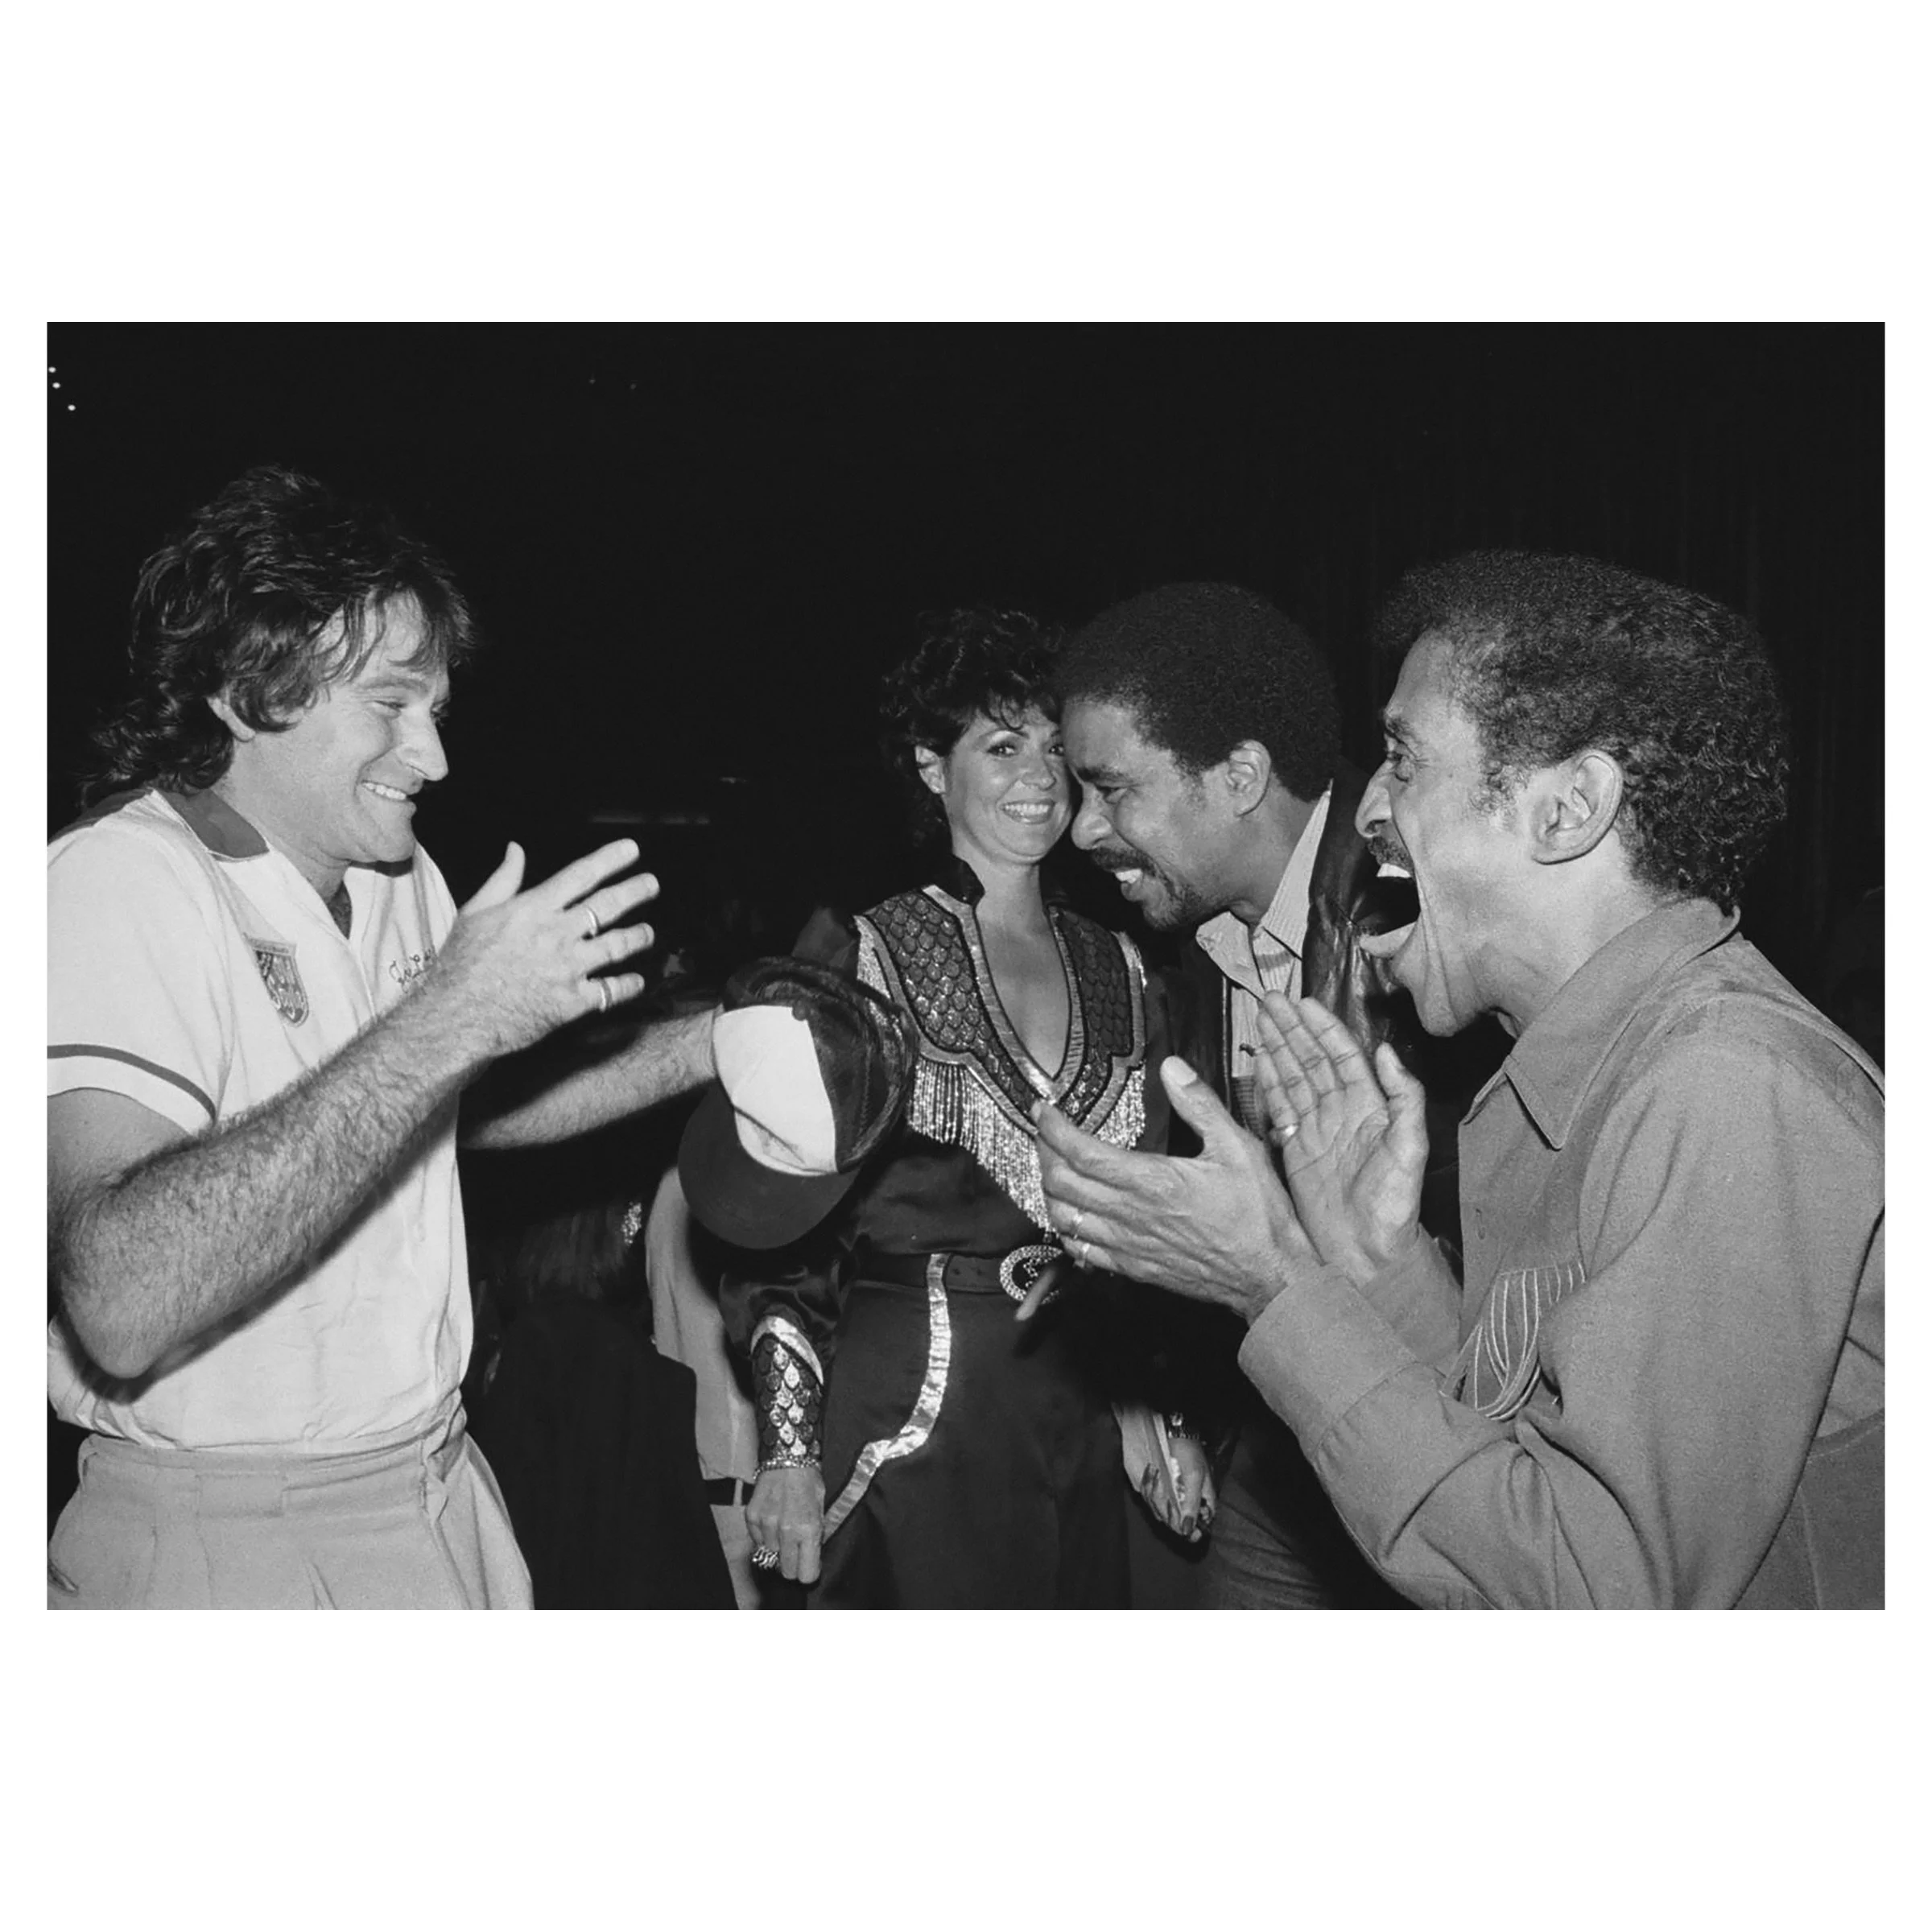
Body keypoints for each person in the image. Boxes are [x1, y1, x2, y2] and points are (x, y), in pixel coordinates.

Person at [1038, 551, 1884, 1608]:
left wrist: (1278, 1288)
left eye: (1404, 759)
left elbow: (1591, 1594)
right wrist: (1380, 1265)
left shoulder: (1726, 1087)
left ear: (1567, 809)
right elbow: (1511, 1451)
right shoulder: (1584, 1072)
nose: (1366, 809)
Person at [47, 466, 714, 1609]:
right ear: (247, 689)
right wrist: (450, 1018)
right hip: (236, 1533)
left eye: (436, 711)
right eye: (392, 704)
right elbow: (120, 1298)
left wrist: (706, 1047)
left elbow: (443, 1113)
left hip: (438, 1482)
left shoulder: (401, 877)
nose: (434, 757)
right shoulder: (119, 882)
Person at [688, 609, 1203, 1607]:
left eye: (1055, 748)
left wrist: (1157, 1405)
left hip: (1078, 1410)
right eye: (1002, 746)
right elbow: (777, 1232)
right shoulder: (862, 952)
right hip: (910, 1412)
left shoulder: (1126, 965)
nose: (1039, 776)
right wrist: (789, 1452)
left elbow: (1161, 1219)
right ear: (932, 768)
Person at [1054, 580, 1482, 1608]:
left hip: (1447, 1450)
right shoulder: (1193, 942)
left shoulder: (1430, 908)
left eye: (1112, 790)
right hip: (1279, 1446)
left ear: (1240, 776)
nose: (1083, 830)